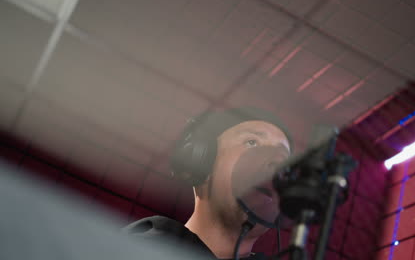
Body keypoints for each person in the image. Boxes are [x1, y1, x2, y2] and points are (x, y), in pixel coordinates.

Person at [122, 107, 294, 259]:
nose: (273, 164)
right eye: (252, 143)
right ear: (201, 161)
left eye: (282, 160)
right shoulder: (135, 251)